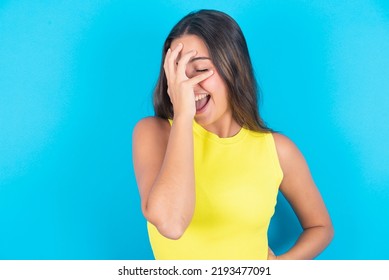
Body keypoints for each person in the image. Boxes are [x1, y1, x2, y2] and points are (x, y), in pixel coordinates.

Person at [132, 9, 334, 260]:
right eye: (178, 73)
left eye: (200, 69)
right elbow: (171, 224)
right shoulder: (154, 133)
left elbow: (321, 227)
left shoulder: (278, 150)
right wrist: (183, 115)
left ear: (233, 67)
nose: (187, 86)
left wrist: (278, 269)